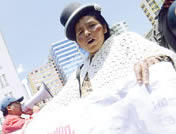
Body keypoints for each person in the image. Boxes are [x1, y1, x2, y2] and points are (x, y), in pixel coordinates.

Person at [41, 2, 176, 114]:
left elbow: (160, 54)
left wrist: (153, 61)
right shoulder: (79, 74)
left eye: (92, 25)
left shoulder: (126, 41)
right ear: (78, 42)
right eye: (80, 32)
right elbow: (59, 103)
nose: (87, 33)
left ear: (104, 27)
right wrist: (38, 117)